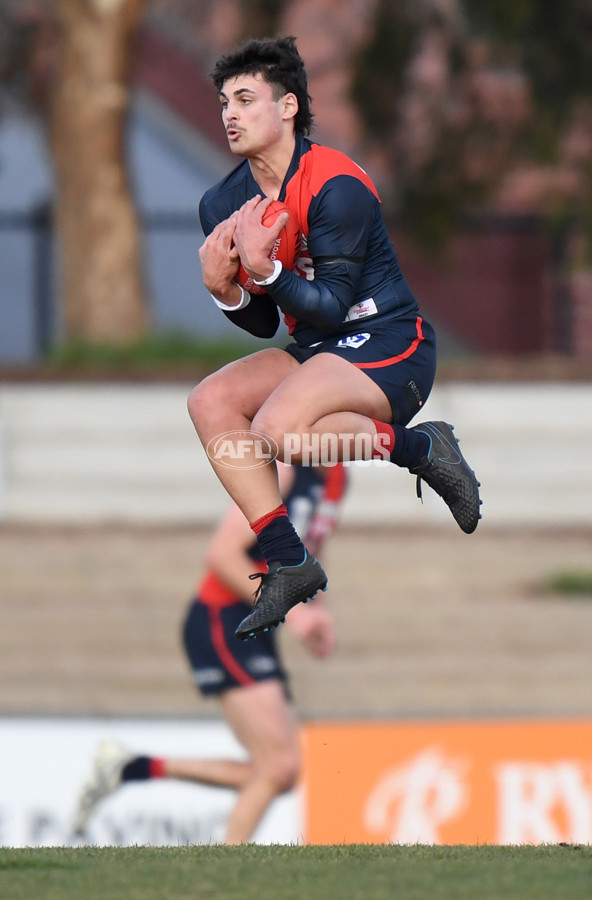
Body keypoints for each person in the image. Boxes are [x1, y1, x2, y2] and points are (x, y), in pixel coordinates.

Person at [188, 35, 482, 643]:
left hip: (389, 343)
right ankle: (287, 558)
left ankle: (420, 447)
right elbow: (265, 323)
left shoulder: (335, 183)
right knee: (210, 402)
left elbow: (330, 308)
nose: (229, 115)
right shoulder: (223, 201)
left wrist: (266, 272)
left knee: (275, 432)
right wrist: (227, 292)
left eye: (246, 99)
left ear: (289, 106)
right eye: (224, 102)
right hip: (321, 351)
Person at [71, 462, 348, 845]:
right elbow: (222, 555)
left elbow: (312, 548)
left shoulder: (335, 475)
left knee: (279, 770)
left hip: (256, 623)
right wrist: (295, 611)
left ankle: (130, 767)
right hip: (222, 618)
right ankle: (227, 868)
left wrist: (318, 609)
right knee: (279, 766)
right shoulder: (282, 470)